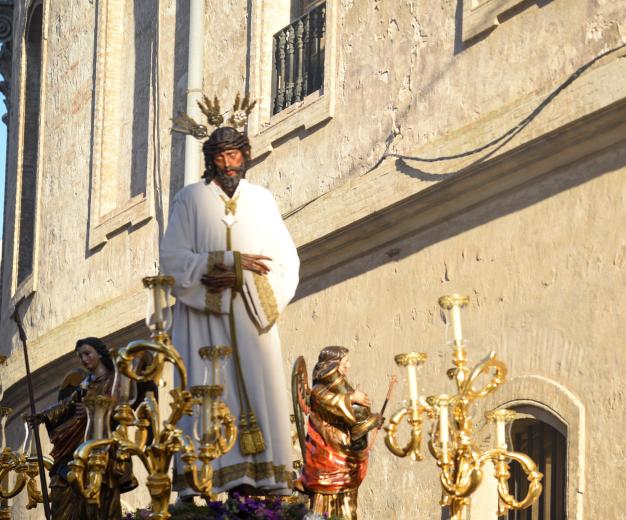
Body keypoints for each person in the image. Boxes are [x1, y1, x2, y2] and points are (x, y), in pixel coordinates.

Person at [161, 124, 300, 496]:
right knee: (208, 393)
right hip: (202, 318)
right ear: (210, 160)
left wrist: (243, 279)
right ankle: (207, 479)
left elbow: (285, 262)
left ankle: (262, 484)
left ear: (245, 156)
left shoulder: (262, 200)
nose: (228, 164)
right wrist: (223, 264)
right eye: (221, 156)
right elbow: (172, 259)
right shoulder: (189, 199)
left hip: (250, 316)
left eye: (234, 155)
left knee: (258, 387)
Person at [35, 337, 136, 520]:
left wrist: (92, 410)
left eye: (87, 354)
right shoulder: (86, 382)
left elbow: (122, 408)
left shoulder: (115, 379)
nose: (84, 359)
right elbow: (67, 404)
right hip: (77, 442)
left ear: (100, 353)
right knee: (63, 481)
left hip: (103, 444)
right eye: (80, 356)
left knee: (99, 492)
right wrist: (43, 415)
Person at [299, 346, 382, 520]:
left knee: (348, 505)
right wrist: (352, 398)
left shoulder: (338, 387)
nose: (348, 366)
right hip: (328, 457)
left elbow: (355, 417)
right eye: (344, 363)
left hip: (345, 456)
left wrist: (370, 422)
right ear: (332, 366)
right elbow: (334, 402)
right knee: (326, 506)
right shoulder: (319, 390)